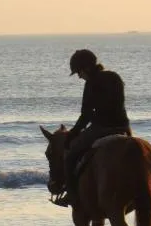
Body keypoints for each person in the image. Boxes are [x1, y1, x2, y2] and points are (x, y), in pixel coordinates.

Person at [53, 49, 132, 208]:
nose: (79, 76)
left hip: (103, 128)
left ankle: (71, 195)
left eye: (79, 72)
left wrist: (72, 135)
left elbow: (86, 115)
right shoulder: (115, 77)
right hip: (124, 127)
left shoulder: (91, 83)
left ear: (86, 68)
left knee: (71, 155)